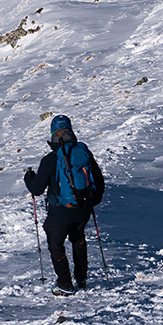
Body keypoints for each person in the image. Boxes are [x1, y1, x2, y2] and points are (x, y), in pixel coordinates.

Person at [24, 114, 105, 295]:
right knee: (78, 238)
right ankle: (81, 278)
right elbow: (99, 181)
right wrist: (92, 201)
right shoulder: (83, 153)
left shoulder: (50, 160)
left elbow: (37, 189)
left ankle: (65, 285)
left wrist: (28, 177)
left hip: (59, 214)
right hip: (82, 210)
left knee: (56, 245)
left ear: (53, 134)